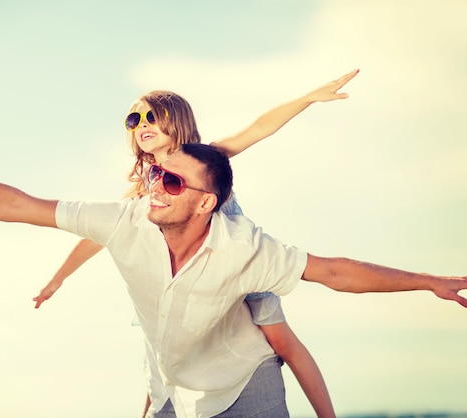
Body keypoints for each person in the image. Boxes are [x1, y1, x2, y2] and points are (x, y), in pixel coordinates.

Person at [0, 145, 466, 418]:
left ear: (206, 203)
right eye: (153, 173)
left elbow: (334, 272)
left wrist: (428, 282)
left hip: (242, 390)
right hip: (174, 393)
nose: (153, 188)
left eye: (171, 181)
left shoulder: (245, 249)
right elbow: (15, 204)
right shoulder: (123, 220)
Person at [33, 70, 359, 418]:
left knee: (282, 342)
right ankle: (156, 409)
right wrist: (58, 278)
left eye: (152, 117)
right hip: (194, 274)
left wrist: (307, 98)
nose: (142, 124)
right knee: (165, 338)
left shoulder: (203, 157)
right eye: (134, 118)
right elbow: (98, 233)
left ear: (177, 122)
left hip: (239, 263)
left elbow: (257, 129)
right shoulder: (149, 184)